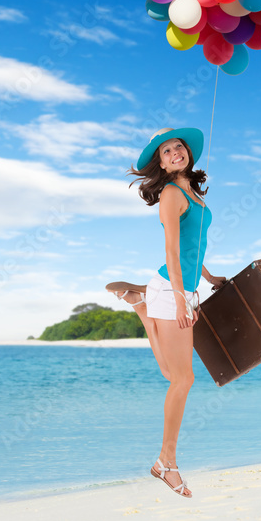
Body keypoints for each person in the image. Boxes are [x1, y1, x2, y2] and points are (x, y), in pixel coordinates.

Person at [106, 126, 226, 498]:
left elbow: (195, 247)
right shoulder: (171, 195)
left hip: (179, 289)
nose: (175, 152)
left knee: (170, 373)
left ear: (188, 153)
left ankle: (141, 307)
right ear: (159, 163)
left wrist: (208, 276)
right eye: (166, 151)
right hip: (172, 290)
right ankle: (165, 463)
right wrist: (180, 299)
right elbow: (172, 253)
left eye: (179, 147)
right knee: (182, 380)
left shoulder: (193, 193)